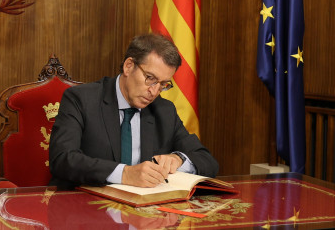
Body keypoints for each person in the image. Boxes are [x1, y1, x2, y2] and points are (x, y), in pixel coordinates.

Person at [49, 33, 218, 190]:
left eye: (163, 84)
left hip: (144, 215)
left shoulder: (164, 111)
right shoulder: (82, 99)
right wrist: (125, 174)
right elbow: (63, 159)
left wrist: (178, 159)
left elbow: (207, 161)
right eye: (150, 78)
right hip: (86, 210)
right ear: (129, 66)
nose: (154, 91)